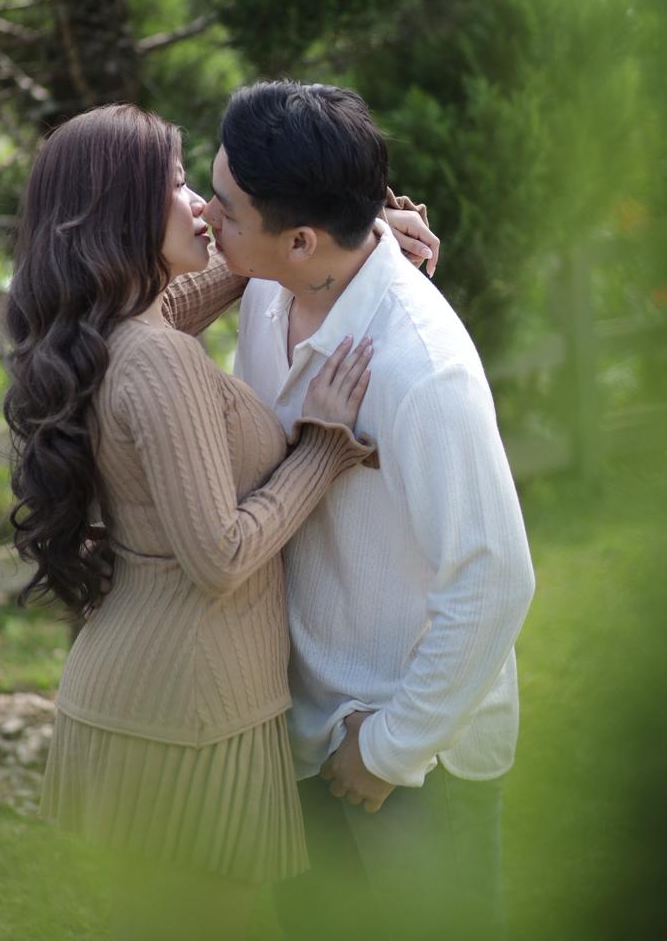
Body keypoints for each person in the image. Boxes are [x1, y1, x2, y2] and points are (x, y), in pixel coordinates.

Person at [3, 103, 428, 941]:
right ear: (122, 210)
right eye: (175, 185)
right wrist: (323, 449)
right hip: (185, 710)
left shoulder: (116, 324)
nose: (199, 202)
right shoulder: (157, 357)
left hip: (153, 691)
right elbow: (222, 556)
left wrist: (349, 226)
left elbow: (232, 272)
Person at [196, 80, 536, 940]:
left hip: (413, 749)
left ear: (301, 238)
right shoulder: (269, 286)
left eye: (226, 205)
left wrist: (388, 750)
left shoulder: (421, 370)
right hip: (301, 722)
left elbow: (496, 579)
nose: (205, 213)